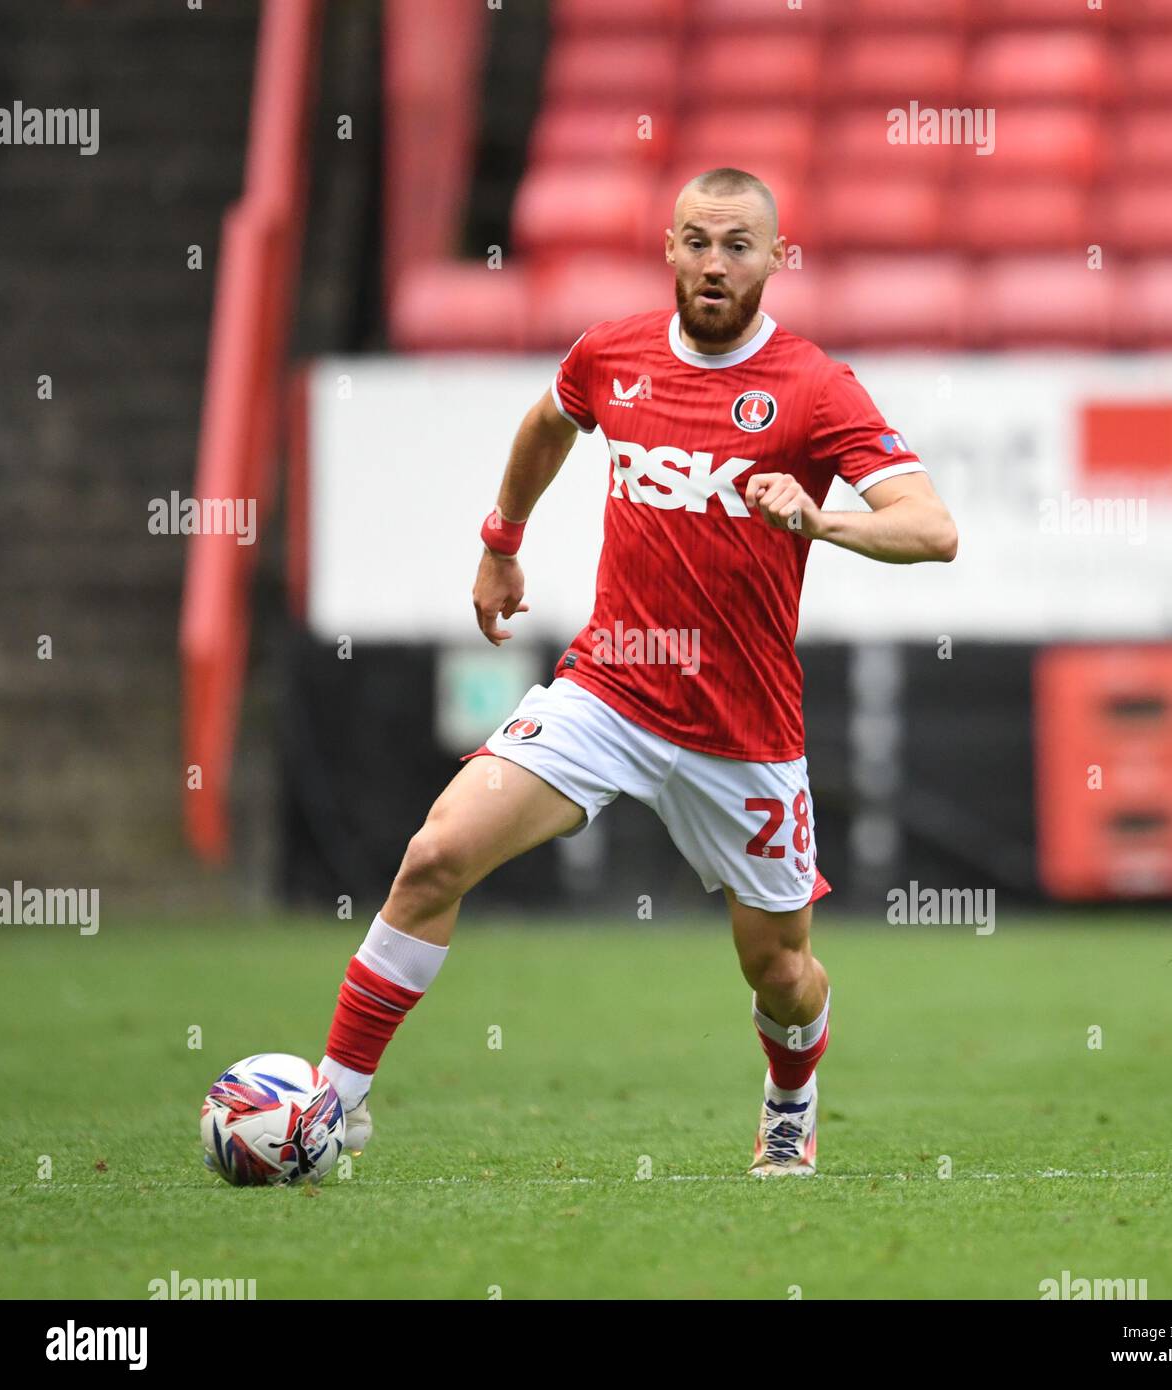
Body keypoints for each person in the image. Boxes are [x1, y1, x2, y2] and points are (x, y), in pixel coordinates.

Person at [317, 167, 957, 1176]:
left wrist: (820, 517)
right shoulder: (611, 354)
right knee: (436, 853)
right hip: (609, 691)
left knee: (780, 971)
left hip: (743, 733)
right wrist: (500, 539)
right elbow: (548, 421)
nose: (713, 263)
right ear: (668, 247)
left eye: (737, 245)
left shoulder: (813, 387)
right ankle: (331, 1108)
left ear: (776, 261)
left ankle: (790, 1097)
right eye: (696, 240)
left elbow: (932, 528)